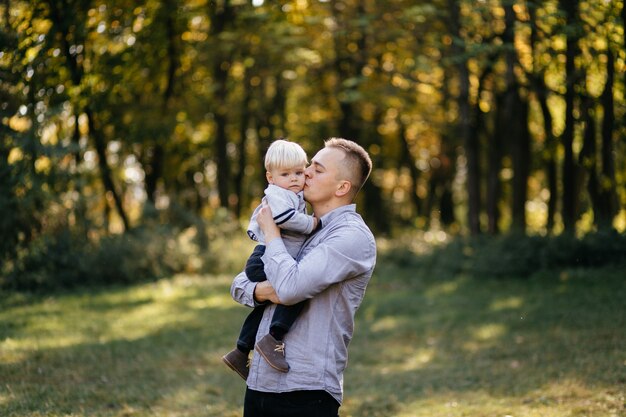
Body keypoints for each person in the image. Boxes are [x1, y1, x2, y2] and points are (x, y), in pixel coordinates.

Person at [230, 137, 376, 417]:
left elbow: (289, 288)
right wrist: (265, 291)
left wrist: (271, 233)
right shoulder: (297, 226)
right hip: (260, 383)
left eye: (318, 170)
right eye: (309, 165)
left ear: (342, 187)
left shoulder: (351, 236)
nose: (306, 172)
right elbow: (239, 284)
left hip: (305, 391)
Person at [222, 139, 319, 380]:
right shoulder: (278, 195)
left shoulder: (291, 194)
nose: (295, 178)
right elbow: (285, 218)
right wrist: (313, 223)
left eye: (299, 172)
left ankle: (241, 351)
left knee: (269, 303)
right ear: (270, 177)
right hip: (264, 258)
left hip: (270, 256)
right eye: (286, 174)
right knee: (295, 292)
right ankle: (273, 339)